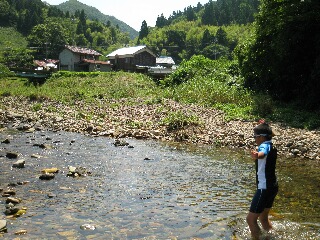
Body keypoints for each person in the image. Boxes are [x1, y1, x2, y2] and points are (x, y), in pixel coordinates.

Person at [247, 120, 278, 239]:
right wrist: (264, 124)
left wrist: (256, 155)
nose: (254, 139)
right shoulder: (270, 143)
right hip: (273, 186)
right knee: (263, 218)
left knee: (250, 219)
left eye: (255, 136)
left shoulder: (264, 146)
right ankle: (273, 237)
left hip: (264, 188)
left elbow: (262, 154)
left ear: (261, 137)